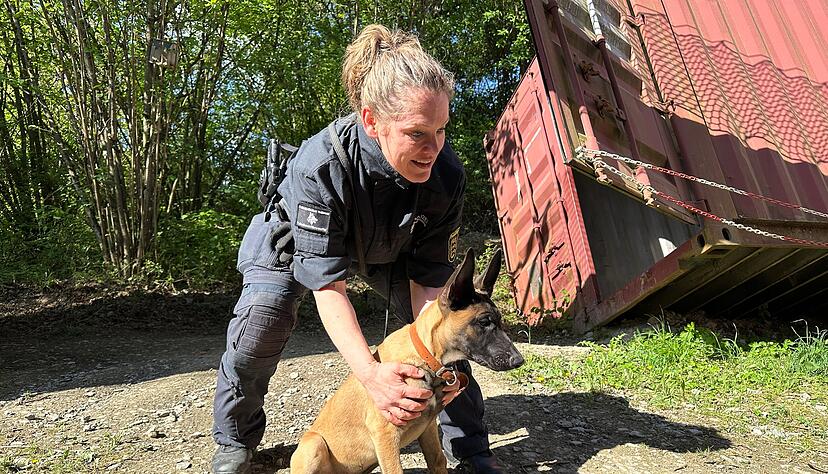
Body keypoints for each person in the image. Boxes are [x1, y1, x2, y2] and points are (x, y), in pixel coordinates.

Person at [211, 24, 506, 474]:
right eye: (417, 134)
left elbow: (432, 291)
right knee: (261, 326)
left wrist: (438, 364)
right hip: (292, 244)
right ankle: (236, 439)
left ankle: (470, 448)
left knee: (447, 335)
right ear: (372, 122)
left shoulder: (445, 176)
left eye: (442, 130)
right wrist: (373, 376)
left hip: (385, 245)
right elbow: (329, 288)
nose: (434, 148)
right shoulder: (321, 167)